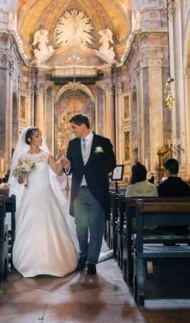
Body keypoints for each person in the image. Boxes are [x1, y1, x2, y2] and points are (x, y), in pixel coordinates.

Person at [10, 127, 78, 277]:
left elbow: (57, 171)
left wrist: (62, 163)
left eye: (40, 135)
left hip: (46, 194)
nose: (41, 138)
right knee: (30, 227)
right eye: (37, 136)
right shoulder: (23, 158)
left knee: (50, 227)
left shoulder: (47, 155)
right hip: (31, 195)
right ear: (29, 140)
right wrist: (23, 173)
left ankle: (53, 262)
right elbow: (20, 180)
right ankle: (29, 262)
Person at [60, 114, 116, 276]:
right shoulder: (72, 144)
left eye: (74, 127)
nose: (73, 131)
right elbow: (69, 167)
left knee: (96, 227)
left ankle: (92, 261)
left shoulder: (102, 142)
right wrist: (67, 166)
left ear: (83, 126)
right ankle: (83, 254)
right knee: (81, 227)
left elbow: (111, 163)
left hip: (97, 191)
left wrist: (97, 173)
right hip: (79, 192)